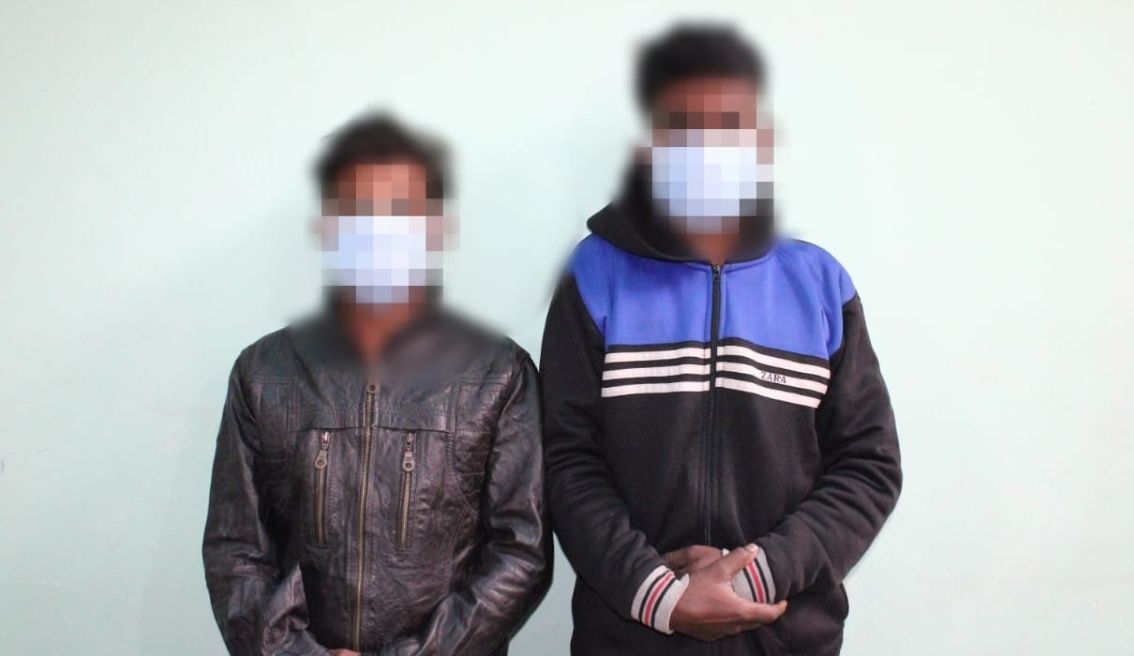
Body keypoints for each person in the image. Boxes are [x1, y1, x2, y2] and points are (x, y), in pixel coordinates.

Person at [540, 24, 902, 655]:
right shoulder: (594, 276)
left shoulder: (820, 284)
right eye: (684, 124)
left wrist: (754, 574)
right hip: (629, 638)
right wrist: (660, 595)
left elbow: (869, 465)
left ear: (761, 142)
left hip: (786, 636)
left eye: (728, 125)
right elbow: (565, 459)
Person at [202, 114, 551, 656]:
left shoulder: (497, 375)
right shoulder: (265, 373)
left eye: (400, 209)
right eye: (356, 208)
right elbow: (234, 550)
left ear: (435, 228)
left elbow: (521, 551)